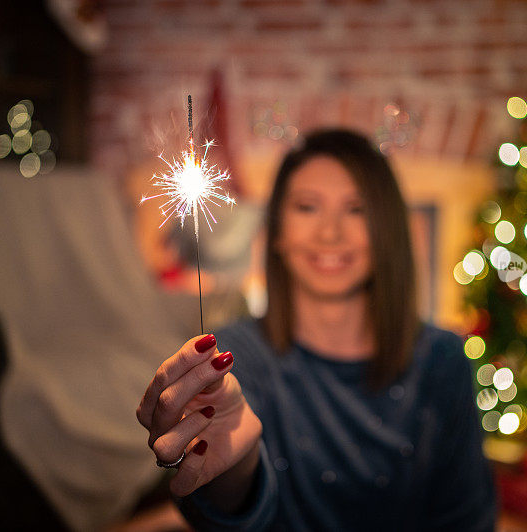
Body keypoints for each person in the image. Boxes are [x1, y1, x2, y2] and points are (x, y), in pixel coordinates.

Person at [136, 129, 496, 531]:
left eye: (356, 209)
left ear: (387, 231)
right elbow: (223, 509)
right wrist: (231, 471)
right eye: (307, 208)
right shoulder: (230, 359)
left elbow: (468, 518)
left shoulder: (440, 358)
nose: (329, 234)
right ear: (277, 233)